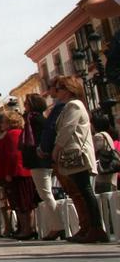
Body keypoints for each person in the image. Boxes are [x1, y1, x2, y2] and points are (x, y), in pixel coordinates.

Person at [51, 75, 108, 243]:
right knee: (83, 191)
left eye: (60, 88)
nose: (57, 91)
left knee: (85, 191)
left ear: (68, 90)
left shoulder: (74, 105)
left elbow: (68, 128)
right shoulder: (72, 105)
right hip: (74, 154)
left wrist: (57, 148)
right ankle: (89, 228)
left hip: (77, 155)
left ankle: (96, 228)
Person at [21, 93, 63, 241]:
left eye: (26, 102)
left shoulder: (35, 120)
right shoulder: (33, 119)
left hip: (39, 161)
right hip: (38, 161)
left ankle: (57, 227)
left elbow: (43, 139)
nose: (24, 105)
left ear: (32, 105)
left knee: (46, 193)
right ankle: (57, 225)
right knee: (45, 193)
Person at [0, 110, 38, 240]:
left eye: (3, 121)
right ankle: (25, 228)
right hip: (17, 173)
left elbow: (12, 156)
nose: (1, 124)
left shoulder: (12, 134)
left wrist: (7, 173)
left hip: (17, 173)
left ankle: (27, 229)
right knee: (21, 203)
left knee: (22, 203)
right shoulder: (11, 134)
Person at [92, 112, 119, 194]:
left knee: (104, 198)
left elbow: (93, 152)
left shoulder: (99, 136)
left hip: (104, 175)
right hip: (110, 174)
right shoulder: (107, 135)